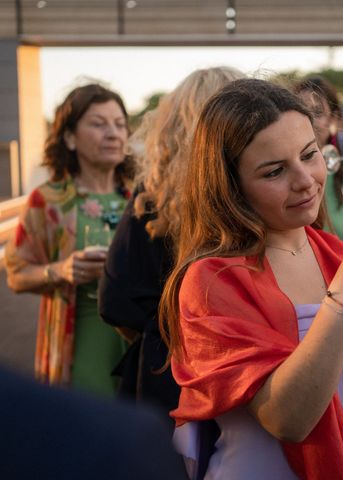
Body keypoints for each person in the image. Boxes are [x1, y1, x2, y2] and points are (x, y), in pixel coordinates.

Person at [162, 78, 343, 479]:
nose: (305, 179)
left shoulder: (338, 253)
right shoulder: (212, 279)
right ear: (230, 187)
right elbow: (288, 419)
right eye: (274, 172)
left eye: (309, 155)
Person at [98, 67, 244, 411]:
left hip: (165, 377)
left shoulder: (152, 195)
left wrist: (167, 336)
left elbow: (116, 302)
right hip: (244, 372)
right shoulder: (255, 191)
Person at [5, 84, 133, 396]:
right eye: (98, 123)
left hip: (139, 346)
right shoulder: (47, 201)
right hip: (80, 347)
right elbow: (16, 274)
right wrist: (60, 271)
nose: (113, 133)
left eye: (119, 124)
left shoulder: (142, 197)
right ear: (69, 137)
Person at [0, 340, 187, 480]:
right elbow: (17, 272)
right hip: (78, 338)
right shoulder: (126, 447)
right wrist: (58, 271)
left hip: (124, 340)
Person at [293, 76, 343, 241]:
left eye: (317, 112)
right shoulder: (283, 176)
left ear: (334, 119)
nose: (308, 119)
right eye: (301, 111)